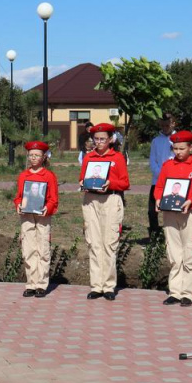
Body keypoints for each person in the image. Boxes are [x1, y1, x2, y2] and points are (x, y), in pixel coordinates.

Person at [154, 130, 192, 306]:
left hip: (190, 214)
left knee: (190, 252)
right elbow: (160, 186)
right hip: (170, 214)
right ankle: (175, 291)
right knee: (174, 252)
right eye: (175, 148)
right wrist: (158, 199)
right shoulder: (168, 165)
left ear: (190, 147)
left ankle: (188, 293)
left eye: (181, 148)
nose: (178, 152)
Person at [81, 123, 130, 301]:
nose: (99, 142)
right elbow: (82, 177)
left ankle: (108, 286)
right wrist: (83, 183)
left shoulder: (117, 157)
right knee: (94, 243)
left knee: (109, 243)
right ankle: (96, 285)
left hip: (111, 199)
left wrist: (112, 183)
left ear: (110, 140)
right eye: (96, 139)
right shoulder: (89, 158)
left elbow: (125, 182)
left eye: (103, 139)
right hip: (91, 201)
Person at [13, 141, 58, 297]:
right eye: (31, 155)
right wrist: (18, 205)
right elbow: (18, 197)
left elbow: (54, 199)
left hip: (42, 216)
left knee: (43, 249)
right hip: (27, 216)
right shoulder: (23, 176)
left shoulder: (49, 176)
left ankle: (41, 284)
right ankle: (31, 283)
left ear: (43, 157)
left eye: (37, 155)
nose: (34, 158)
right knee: (28, 249)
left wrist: (48, 208)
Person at [148, 114, 175, 238]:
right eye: (162, 125)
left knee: (171, 209)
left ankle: (171, 235)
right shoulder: (155, 141)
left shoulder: (177, 139)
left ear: (173, 124)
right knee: (152, 211)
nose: (165, 128)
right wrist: (160, 173)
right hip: (157, 181)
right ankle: (154, 236)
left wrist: (169, 175)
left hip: (173, 181)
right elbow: (152, 160)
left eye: (167, 125)